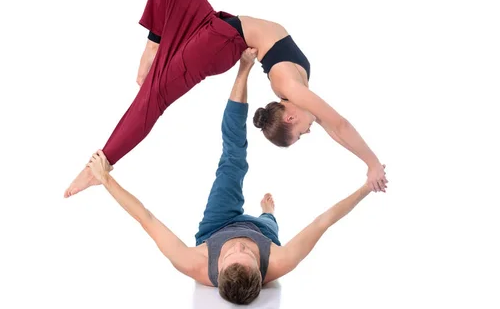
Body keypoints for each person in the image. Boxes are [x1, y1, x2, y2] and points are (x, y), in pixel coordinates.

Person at [64, 0, 386, 198]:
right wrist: (370, 161)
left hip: (217, 44)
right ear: (291, 116)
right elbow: (337, 126)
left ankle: (102, 162)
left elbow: (336, 126)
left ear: (289, 115)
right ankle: (153, 47)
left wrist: (369, 164)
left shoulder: (291, 89)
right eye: (301, 134)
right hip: (216, 26)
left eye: (300, 134)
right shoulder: (296, 87)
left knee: (154, 97)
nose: (308, 131)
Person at [83, 52, 383, 305]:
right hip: (262, 231)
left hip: (218, 224)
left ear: (216, 267)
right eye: (248, 254)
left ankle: (243, 69)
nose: (240, 246)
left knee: (233, 161)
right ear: (263, 272)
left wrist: (106, 180)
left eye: (232, 254)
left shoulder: (194, 263)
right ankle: (268, 213)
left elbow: (145, 218)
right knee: (268, 222)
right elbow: (323, 221)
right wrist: (365, 189)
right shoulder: (280, 261)